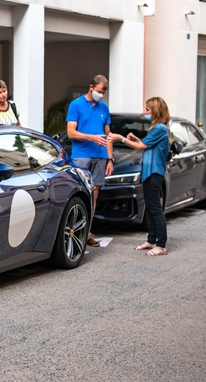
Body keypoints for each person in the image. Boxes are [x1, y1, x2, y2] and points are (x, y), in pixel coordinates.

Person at [108, 97, 170, 256]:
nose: (145, 112)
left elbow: (141, 147)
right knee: (150, 208)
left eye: (147, 109)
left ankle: (161, 245)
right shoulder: (157, 129)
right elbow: (146, 145)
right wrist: (136, 139)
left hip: (155, 172)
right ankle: (151, 240)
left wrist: (120, 138)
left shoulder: (160, 129)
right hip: (149, 172)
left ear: (155, 111)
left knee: (155, 209)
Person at [65, 74, 114, 247]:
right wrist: (91, 138)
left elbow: (108, 136)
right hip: (81, 155)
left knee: (94, 193)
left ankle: (87, 232)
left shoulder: (104, 108)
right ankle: (75, 230)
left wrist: (110, 159)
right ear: (91, 87)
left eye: (103, 93)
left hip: (100, 156)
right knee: (79, 193)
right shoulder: (76, 105)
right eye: (99, 91)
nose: (101, 95)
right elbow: (71, 132)